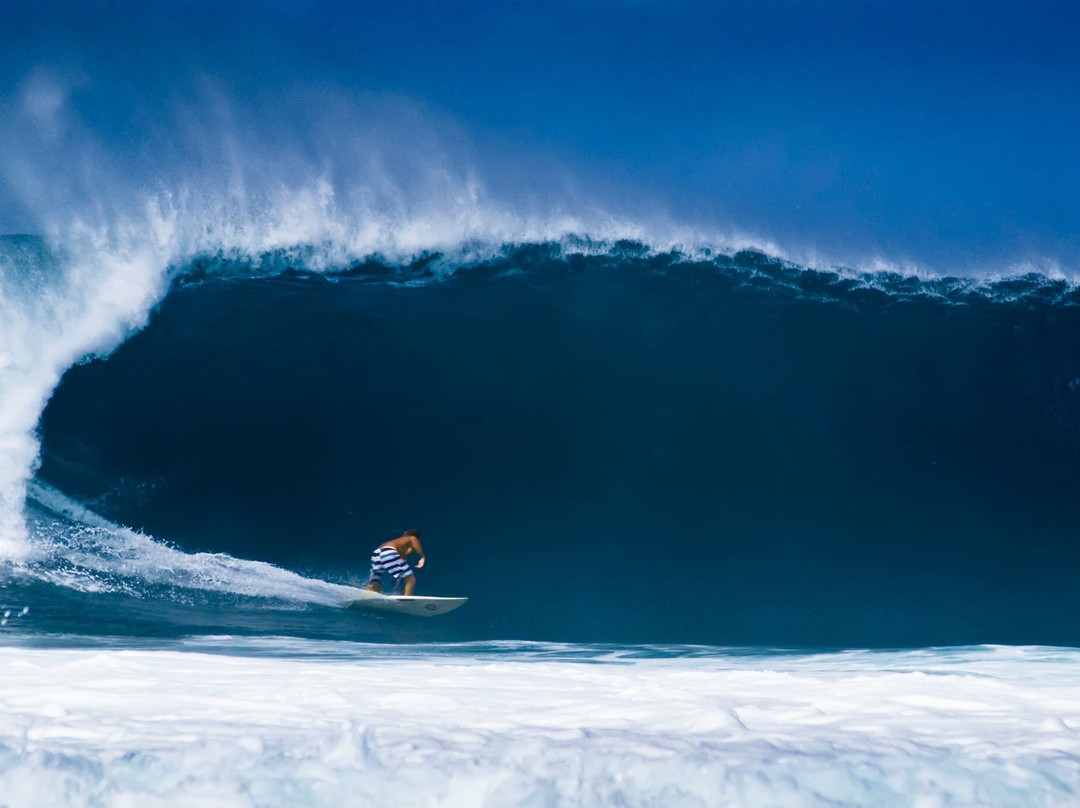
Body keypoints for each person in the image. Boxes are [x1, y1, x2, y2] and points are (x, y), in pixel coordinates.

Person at [364, 529, 426, 595]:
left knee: (375, 581)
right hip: (389, 552)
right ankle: (406, 599)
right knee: (411, 580)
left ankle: (369, 594)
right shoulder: (412, 538)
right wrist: (422, 557)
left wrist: (395, 575)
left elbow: (399, 560)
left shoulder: (398, 542)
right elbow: (419, 549)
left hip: (377, 553)